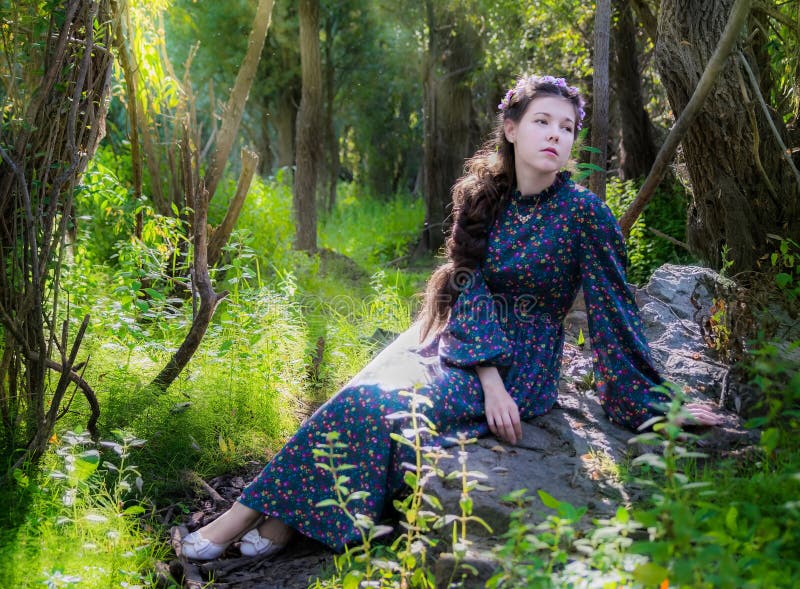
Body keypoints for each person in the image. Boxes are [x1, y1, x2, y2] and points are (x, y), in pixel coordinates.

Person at [181, 74, 721, 561]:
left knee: (379, 406)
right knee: (364, 396)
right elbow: (468, 284)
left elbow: (614, 313)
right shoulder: (483, 195)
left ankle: (242, 518)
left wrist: (655, 402)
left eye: (567, 126)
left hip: (523, 369)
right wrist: (483, 376)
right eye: (542, 121)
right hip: (461, 343)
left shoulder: (585, 214)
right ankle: (276, 520)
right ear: (510, 128)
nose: (556, 134)